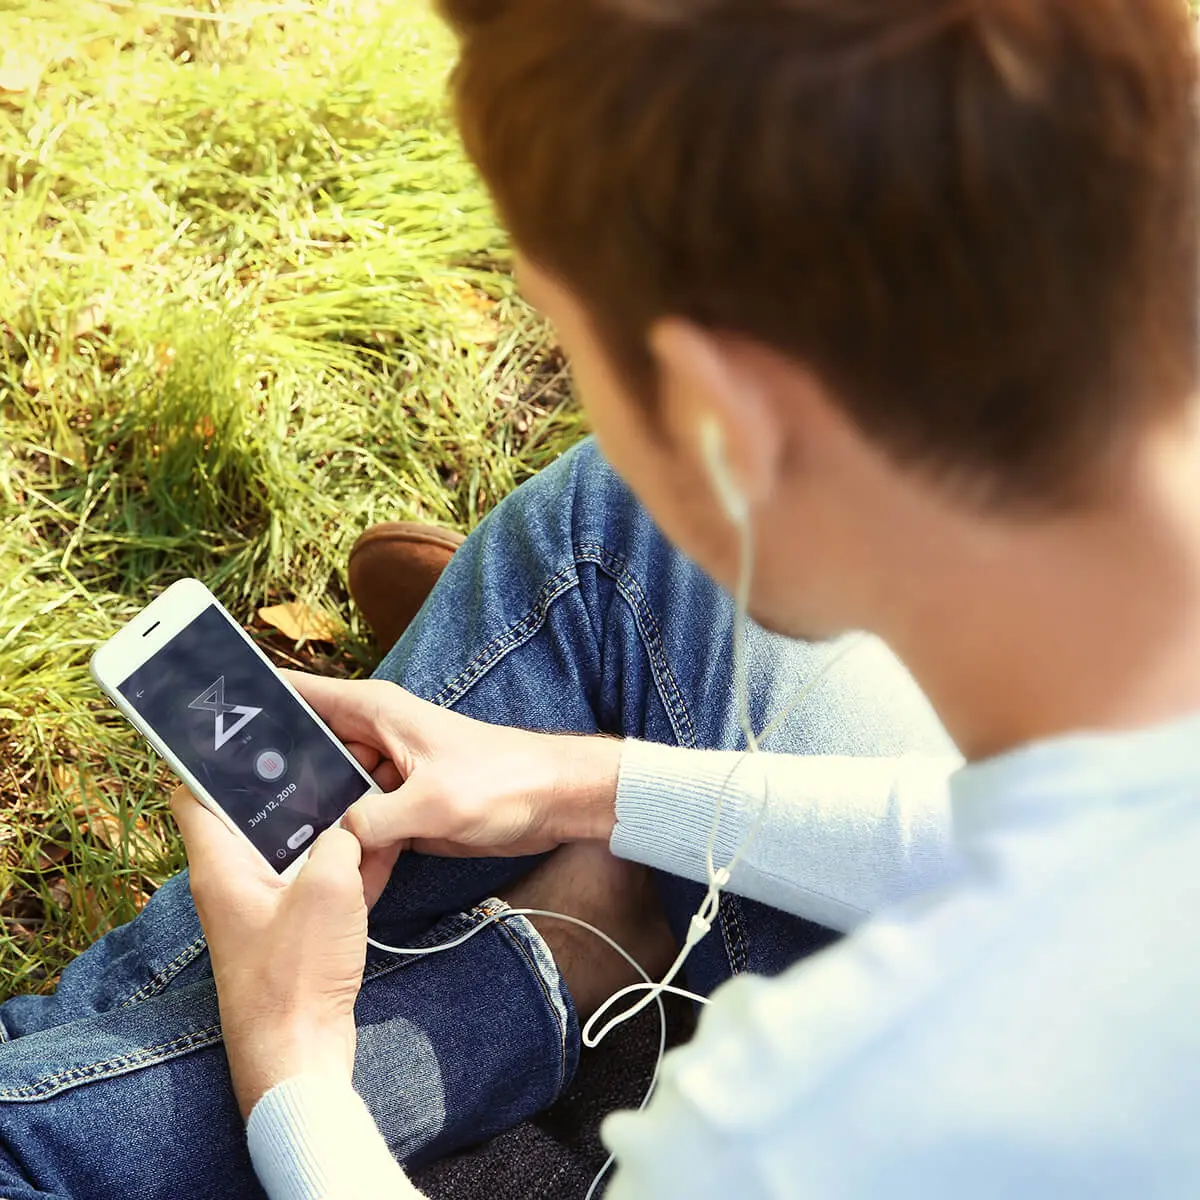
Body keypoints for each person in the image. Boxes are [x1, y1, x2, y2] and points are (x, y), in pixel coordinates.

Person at [2, 0, 1198, 1195]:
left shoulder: (802, 1129)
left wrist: (296, 1067)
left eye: (561, 332)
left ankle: (543, 982)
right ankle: (585, 929)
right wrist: (578, 785)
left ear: (728, 423)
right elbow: (1010, 825)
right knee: (618, 533)